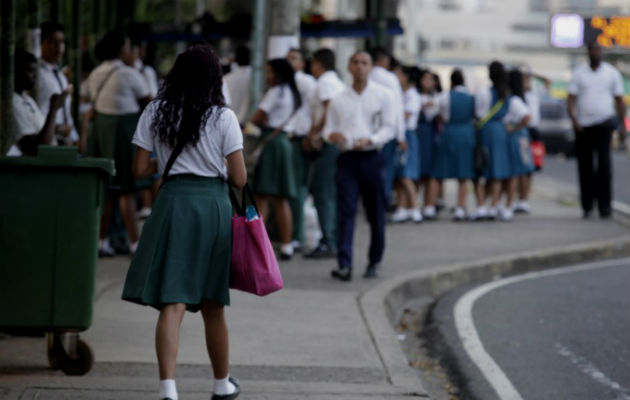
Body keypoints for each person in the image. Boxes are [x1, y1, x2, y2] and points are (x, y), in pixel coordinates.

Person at [122, 45, 245, 400]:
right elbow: (238, 179)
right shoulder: (223, 118)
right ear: (214, 79)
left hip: (173, 203)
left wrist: (165, 159)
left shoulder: (156, 111)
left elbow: (140, 170)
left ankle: (168, 390)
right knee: (213, 304)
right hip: (212, 207)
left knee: (172, 302)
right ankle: (221, 384)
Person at [325, 51, 395, 281]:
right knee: (346, 211)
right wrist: (332, 136)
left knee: (375, 213)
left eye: (364, 63)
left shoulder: (383, 95)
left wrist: (372, 140)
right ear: (348, 66)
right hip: (347, 159)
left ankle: (374, 261)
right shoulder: (339, 98)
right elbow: (329, 129)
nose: (359, 67)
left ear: (371, 66)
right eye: (355, 62)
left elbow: (389, 128)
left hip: (372, 157)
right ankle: (344, 264)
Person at [87, 30, 151, 257]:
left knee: (107, 191)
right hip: (123, 133)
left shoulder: (95, 73)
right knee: (126, 189)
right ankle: (135, 243)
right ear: (120, 50)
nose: (131, 52)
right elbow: (148, 102)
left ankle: (101, 240)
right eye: (127, 47)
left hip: (101, 132)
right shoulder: (128, 73)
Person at [249, 58, 301, 260]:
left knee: (261, 197)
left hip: (271, 144)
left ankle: (257, 246)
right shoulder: (291, 93)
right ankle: (286, 244)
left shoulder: (275, 92)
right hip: (285, 144)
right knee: (281, 198)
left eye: (270, 72)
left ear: (279, 73)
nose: (268, 76)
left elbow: (256, 118)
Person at [567, 42, 627, 219]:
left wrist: (623, 125)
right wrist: (574, 120)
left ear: (602, 53)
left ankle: (605, 206)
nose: (595, 53)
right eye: (592, 50)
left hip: (604, 124)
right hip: (584, 126)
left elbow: (619, 101)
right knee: (585, 167)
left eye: (597, 50)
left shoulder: (611, 73)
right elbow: (571, 100)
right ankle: (587, 206)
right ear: (588, 53)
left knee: (604, 167)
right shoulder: (579, 73)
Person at [303, 48, 346, 259]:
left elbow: (328, 109)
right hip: (336, 143)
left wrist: (315, 133)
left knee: (322, 190)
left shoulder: (325, 83)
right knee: (329, 191)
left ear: (318, 63)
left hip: (329, 142)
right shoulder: (336, 81)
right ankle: (332, 237)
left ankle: (328, 239)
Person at [426, 69, 476, 221]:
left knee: (438, 171)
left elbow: (431, 114)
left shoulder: (444, 96)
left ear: (452, 82)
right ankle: (460, 207)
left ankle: (430, 206)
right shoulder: (471, 97)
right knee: (463, 173)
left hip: (449, 132)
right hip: (466, 133)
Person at [7, 49, 70, 156]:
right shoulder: (11, 102)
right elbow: (38, 147)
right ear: (16, 72)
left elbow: (41, 132)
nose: (34, 77)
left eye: (35, 72)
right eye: (30, 71)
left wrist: (58, 131)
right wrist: (53, 110)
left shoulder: (27, 99)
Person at [286, 48, 317, 252]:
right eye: (287, 59)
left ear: (302, 63)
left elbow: (316, 109)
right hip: (291, 138)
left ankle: (298, 235)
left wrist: (311, 134)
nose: (290, 62)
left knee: (298, 189)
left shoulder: (304, 81)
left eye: (294, 58)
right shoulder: (286, 83)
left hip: (301, 138)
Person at [368, 47, 407, 207]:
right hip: (387, 132)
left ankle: (370, 201)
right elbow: (398, 106)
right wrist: (401, 135)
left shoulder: (367, 76)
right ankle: (381, 201)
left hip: (367, 132)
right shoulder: (390, 78)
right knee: (386, 170)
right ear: (384, 60)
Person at [36, 21, 78, 146]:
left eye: (62, 42)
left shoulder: (60, 75)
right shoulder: (37, 75)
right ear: (41, 44)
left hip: (64, 140)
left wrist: (74, 136)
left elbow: (66, 112)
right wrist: (57, 128)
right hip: (46, 139)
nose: (59, 47)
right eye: (53, 42)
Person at [390, 65, 422, 223]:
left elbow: (404, 116)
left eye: (399, 74)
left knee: (406, 175)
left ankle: (414, 207)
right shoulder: (401, 94)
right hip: (401, 134)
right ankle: (402, 208)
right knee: (401, 175)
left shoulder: (412, 96)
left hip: (407, 134)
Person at [516, 70, 549, 214]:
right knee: (520, 166)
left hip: (533, 131)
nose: (526, 83)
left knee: (531, 167)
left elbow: (548, 82)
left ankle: (524, 199)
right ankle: (518, 198)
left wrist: (533, 74)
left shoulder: (534, 94)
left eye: (527, 80)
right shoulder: (516, 97)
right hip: (521, 131)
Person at [503, 69, 533, 220]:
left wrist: (514, 127)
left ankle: (515, 201)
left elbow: (528, 117)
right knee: (522, 171)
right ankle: (521, 200)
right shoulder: (520, 98)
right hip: (522, 137)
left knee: (516, 171)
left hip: (517, 137)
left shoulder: (513, 100)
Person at [418, 69, 441, 219]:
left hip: (433, 136)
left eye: (430, 79)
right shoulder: (415, 97)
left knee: (432, 172)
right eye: (425, 79)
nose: (428, 82)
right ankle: (412, 204)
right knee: (418, 172)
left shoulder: (439, 98)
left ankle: (430, 205)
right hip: (419, 135)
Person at [223, 46, 252, 125]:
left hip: (229, 123)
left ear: (235, 59)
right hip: (250, 126)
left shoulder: (226, 79)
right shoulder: (256, 80)